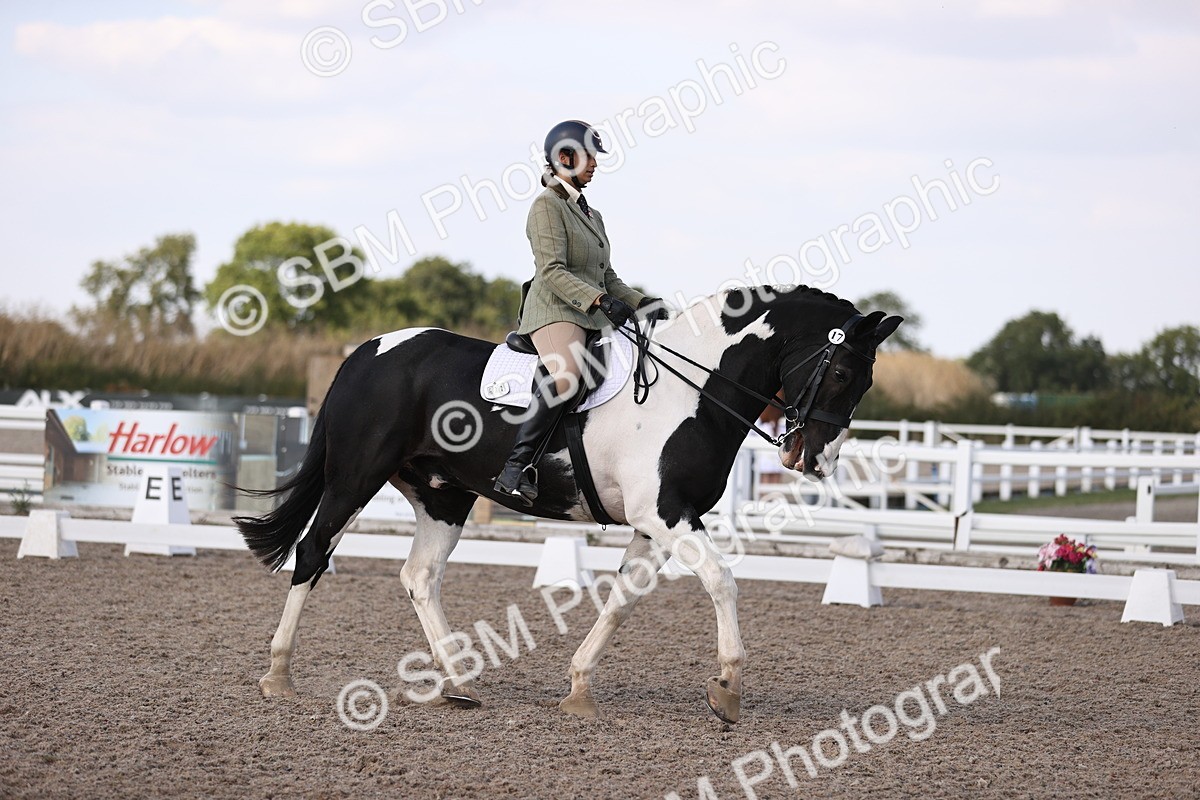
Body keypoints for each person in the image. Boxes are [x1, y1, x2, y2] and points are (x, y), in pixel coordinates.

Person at [493, 119, 668, 506]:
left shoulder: (592, 215)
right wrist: (599, 302)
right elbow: (552, 270)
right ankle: (516, 467)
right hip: (554, 310)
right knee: (568, 373)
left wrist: (645, 303)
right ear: (565, 157)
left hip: (590, 312)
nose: (595, 164)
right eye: (589, 156)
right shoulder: (546, 207)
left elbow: (607, 276)